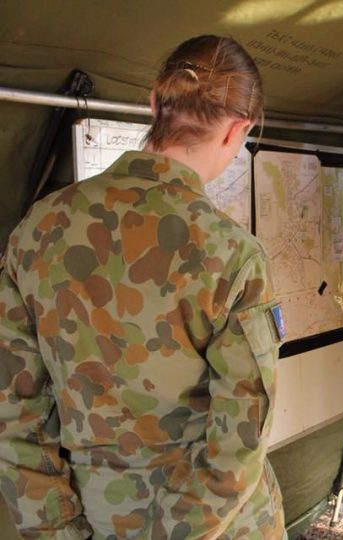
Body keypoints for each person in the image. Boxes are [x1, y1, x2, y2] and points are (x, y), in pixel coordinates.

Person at [0, 35, 287, 539]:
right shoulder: (230, 253)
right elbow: (238, 439)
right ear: (238, 129)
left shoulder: (36, 231)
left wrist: (58, 531)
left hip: (96, 515)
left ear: (155, 102)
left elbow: (14, 414)